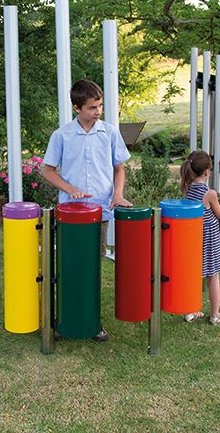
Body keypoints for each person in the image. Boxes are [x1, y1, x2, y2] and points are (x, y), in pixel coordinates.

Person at [42, 79, 132, 341]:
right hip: (69, 215)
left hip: (101, 212)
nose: (98, 111)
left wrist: (117, 194)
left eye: (100, 105)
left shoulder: (110, 133)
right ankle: (65, 320)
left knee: (92, 266)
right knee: (68, 266)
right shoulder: (62, 136)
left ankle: (92, 321)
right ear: (77, 107)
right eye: (93, 107)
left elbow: (119, 168)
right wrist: (71, 189)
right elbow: (47, 171)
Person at [180, 150, 220, 326]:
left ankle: (191, 310)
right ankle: (215, 315)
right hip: (209, 238)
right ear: (208, 172)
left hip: (194, 237)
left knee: (194, 275)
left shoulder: (187, 188)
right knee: (213, 276)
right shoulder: (209, 194)